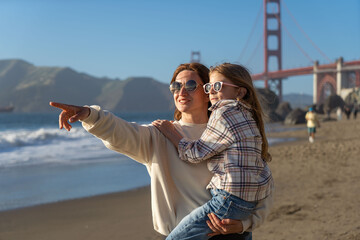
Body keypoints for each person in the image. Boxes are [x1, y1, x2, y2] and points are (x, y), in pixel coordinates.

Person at [49, 62, 273, 239]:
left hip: (231, 236)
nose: (181, 91)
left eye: (191, 85)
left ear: (208, 91)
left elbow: (260, 182)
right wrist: (90, 115)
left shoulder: (233, 130)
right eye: (176, 86)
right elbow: (121, 132)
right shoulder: (159, 135)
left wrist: (245, 224)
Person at [152, 63, 274, 240]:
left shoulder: (222, 113)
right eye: (209, 87)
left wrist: (171, 133)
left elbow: (196, 154)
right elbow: (264, 175)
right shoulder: (248, 117)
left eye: (218, 86)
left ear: (240, 92)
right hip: (247, 205)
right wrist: (245, 225)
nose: (211, 92)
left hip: (226, 200)